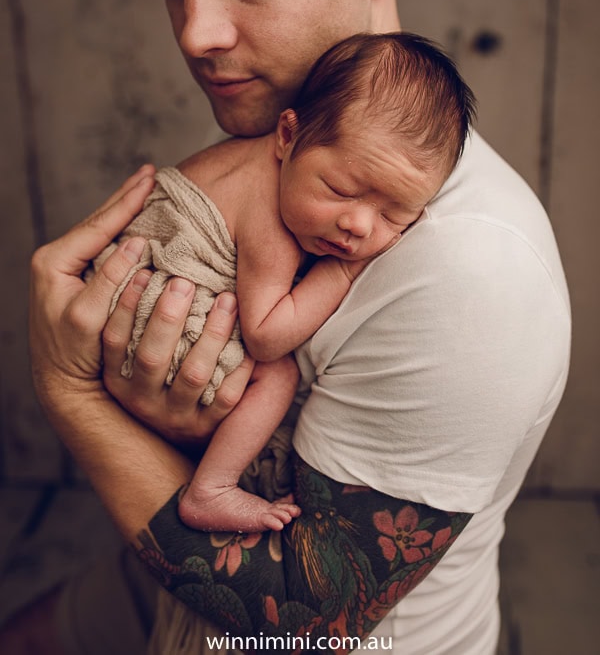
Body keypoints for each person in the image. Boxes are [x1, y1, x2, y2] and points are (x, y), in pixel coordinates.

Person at [5, 0, 570, 653]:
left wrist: (74, 396)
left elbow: (307, 618)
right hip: (164, 597)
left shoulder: (473, 275)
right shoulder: (255, 164)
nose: (196, 32)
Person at [88, 31, 476, 534]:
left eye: (394, 215)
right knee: (278, 375)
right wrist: (341, 271)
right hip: (149, 308)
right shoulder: (271, 217)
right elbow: (267, 334)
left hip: (125, 294)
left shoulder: (275, 166)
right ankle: (212, 489)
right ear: (287, 138)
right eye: (340, 189)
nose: (359, 225)